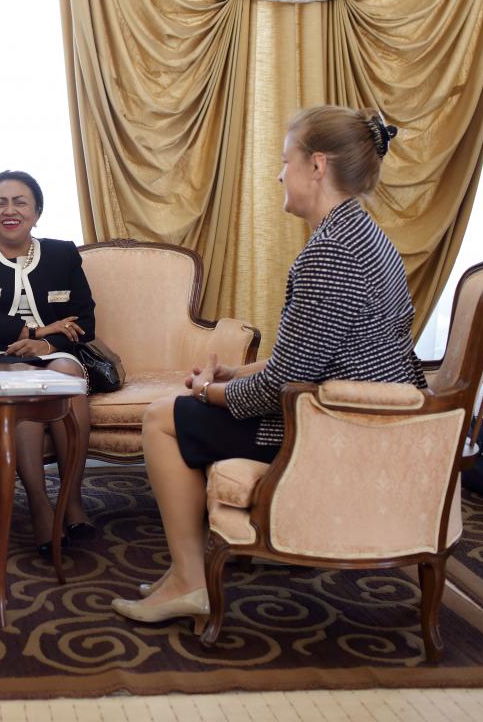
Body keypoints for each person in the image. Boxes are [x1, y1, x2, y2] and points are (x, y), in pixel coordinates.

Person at [111, 106, 427, 628]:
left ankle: (191, 582)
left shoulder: (332, 251)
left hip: (332, 428)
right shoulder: (363, 236)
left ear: (317, 165)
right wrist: (235, 377)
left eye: (287, 160)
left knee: (162, 419)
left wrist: (208, 395)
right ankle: (185, 577)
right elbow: (306, 360)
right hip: (349, 411)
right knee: (185, 409)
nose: (281, 173)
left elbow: (287, 384)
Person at [0, 170, 95, 556]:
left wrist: (47, 348)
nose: (10, 210)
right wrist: (34, 333)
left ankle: (72, 500)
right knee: (25, 382)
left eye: (20, 201)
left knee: (66, 377)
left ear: (37, 211)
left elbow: (86, 322)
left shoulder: (63, 254)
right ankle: (41, 508)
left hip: (54, 356)